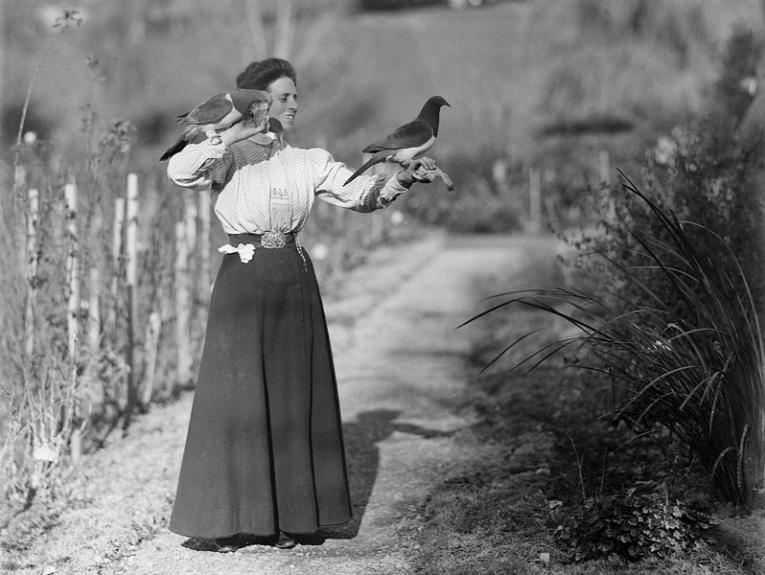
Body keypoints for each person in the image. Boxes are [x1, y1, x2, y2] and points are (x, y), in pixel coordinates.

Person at [166, 58, 437, 551]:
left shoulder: (309, 160)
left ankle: (290, 518)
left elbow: (360, 196)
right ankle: (229, 522)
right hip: (243, 280)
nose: (295, 104)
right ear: (258, 102)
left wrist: (403, 178)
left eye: (295, 96)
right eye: (283, 97)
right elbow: (180, 173)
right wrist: (226, 137)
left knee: (292, 395)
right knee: (238, 399)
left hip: (293, 276)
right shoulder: (228, 157)